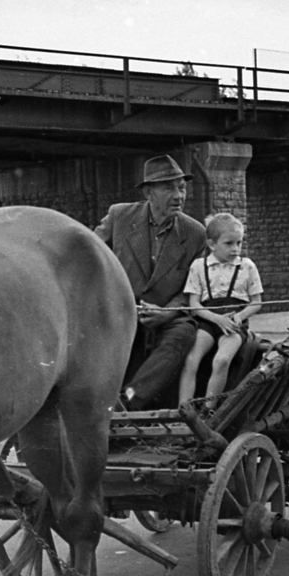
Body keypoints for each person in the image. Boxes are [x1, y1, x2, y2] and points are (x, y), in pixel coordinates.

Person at [95, 154, 209, 410]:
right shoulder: (120, 216)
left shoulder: (196, 233)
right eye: (168, 188)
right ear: (148, 193)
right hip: (121, 307)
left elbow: (192, 288)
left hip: (167, 311)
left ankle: (129, 402)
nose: (179, 195)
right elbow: (90, 256)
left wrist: (166, 312)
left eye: (182, 187)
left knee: (184, 333)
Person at [177, 212, 264, 406]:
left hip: (234, 324)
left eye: (239, 243)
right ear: (211, 244)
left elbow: (257, 302)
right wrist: (217, 319)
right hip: (208, 320)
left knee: (222, 360)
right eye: (229, 243)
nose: (235, 249)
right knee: (191, 360)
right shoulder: (199, 266)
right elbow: (194, 304)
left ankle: (209, 409)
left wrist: (239, 317)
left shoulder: (247, 266)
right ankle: (184, 410)